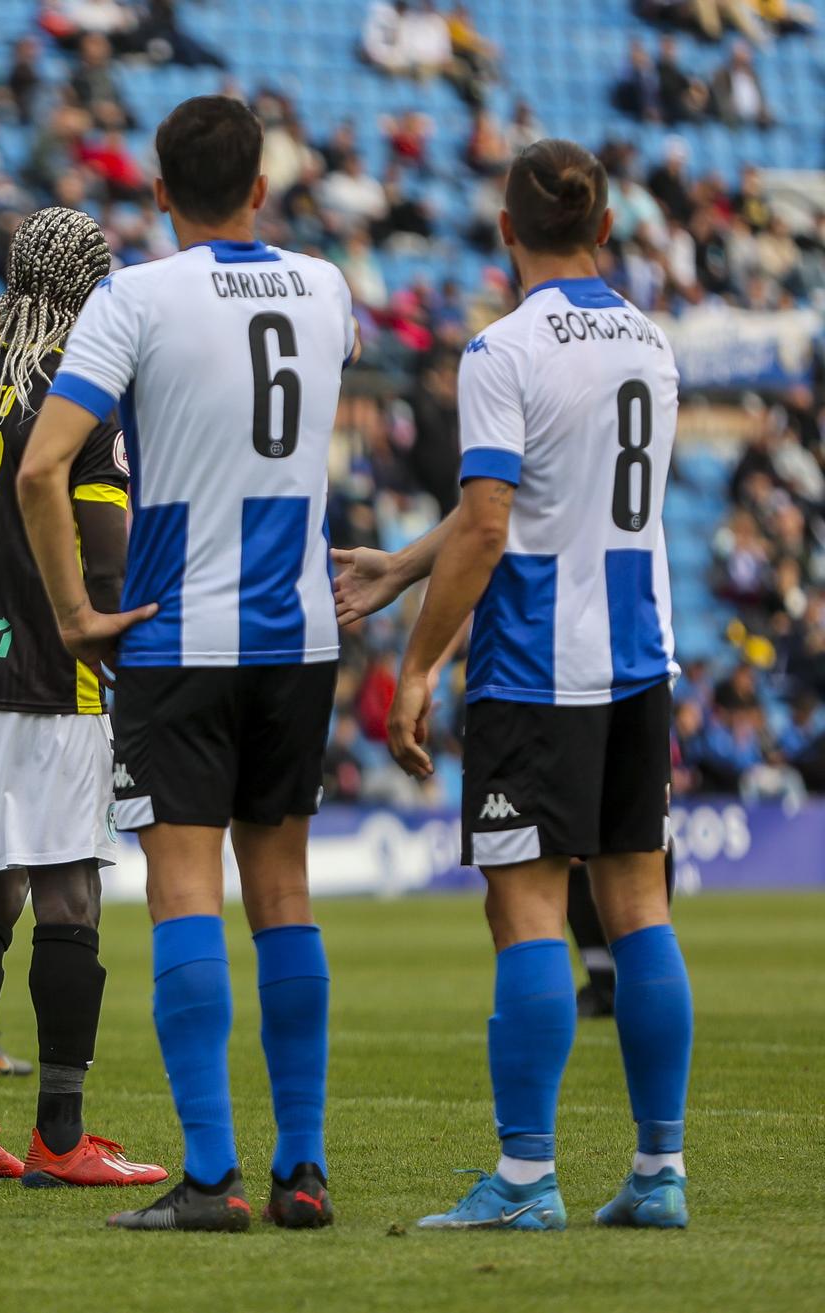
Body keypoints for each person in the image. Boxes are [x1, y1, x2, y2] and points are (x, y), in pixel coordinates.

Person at [339, 139, 693, 1232]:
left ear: (503, 229)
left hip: (536, 663)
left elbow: (495, 521)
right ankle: (657, 1171)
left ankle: (525, 1179)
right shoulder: (648, 341)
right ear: (602, 230)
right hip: (639, 653)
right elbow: (537, 495)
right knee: (636, 908)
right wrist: (402, 565)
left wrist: (414, 666)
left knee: (526, 909)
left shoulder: (502, 348)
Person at [20, 96, 358, 1232]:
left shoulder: (132, 297)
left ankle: (211, 1177)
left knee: (180, 895)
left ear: (157, 192)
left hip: (176, 632)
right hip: (298, 628)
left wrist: (74, 611)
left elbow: (40, 469)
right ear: (261, 186)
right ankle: (301, 1169)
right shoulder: (324, 287)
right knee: (284, 896)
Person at [0, 205, 167, 1189]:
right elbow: (105, 554)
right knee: (67, 890)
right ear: (92, 289)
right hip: (47, 672)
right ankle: (60, 1135)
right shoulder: (78, 393)